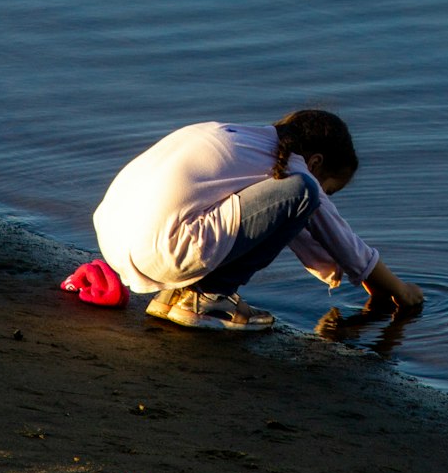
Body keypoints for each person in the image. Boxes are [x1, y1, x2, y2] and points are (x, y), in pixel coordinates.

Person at [92, 110, 424, 330]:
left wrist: (342, 270)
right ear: (317, 160)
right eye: (330, 190)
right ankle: (208, 298)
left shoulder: (231, 136)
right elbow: (333, 230)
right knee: (303, 191)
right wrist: (397, 289)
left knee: (296, 195)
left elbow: (284, 218)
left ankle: (178, 294)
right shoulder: (297, 171)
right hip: (162, 250)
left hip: (115, 246)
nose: (325, 199)